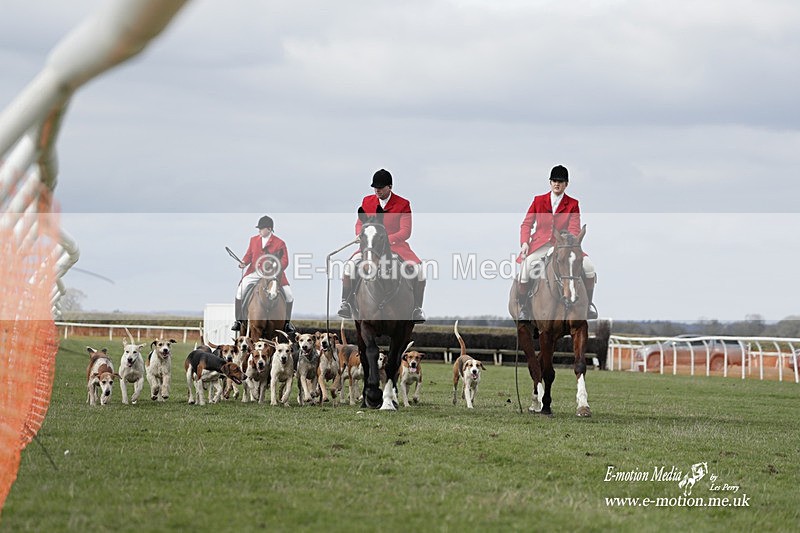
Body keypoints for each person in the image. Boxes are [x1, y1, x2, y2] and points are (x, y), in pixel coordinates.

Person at [337, 169, 426, 323]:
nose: (377, 190)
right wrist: (361, 235)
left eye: (380, 187)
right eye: (375, 187)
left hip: (396, 246)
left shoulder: (403, 204)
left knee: (419, 271)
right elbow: (360, 223)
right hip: (370, 246)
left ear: (389, 187)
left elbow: (405, 231)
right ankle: (346, 303)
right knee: (349, 267)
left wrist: (386, 240)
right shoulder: (367, 201)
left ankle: (416, 309)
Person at [516, 165, 597, 320]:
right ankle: (524, 307)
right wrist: (525, 243)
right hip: (540, 245)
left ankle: (588, 306)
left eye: (560, 181)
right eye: (554, 181)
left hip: (564, 246)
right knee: (526, 269)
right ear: (550, 182)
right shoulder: (538, 201)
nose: (557, 184)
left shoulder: (573, 204)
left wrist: (565, 245)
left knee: (589, 267)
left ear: (566, 184)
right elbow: (526, 224)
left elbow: (574, 229)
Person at [231, 215, 295, 335]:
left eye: (261, 228)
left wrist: (274, 268)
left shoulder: (280, 243)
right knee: (239, 291)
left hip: (273, 274)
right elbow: (249, 255)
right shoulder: (253, 240)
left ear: (269, 229)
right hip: (255, 272)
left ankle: (287, 323)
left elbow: (285, 261)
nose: (259, 231)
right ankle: (238, 320)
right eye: (259, 228)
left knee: (289, 295)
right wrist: (244, 262)